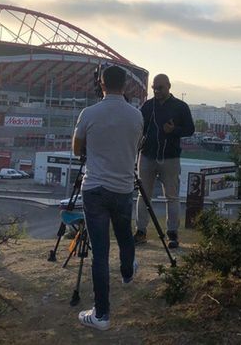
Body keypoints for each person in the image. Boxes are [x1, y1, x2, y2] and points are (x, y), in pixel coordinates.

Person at [73, 65, 143, 331]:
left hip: (95, 188)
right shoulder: (136, 116)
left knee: (99, 252)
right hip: (123, 187)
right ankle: (127, 272)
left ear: (101, 84)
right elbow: (135, 146)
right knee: (125, 234)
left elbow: (77, 147)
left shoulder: (89, 113)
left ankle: (101, 315)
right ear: (124, 85)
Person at [134, 74, 194, 248]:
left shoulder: (180, 107)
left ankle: (172, 234)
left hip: (170, 157)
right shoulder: (147, 105)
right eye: (154, 87)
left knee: (172, 197)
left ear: (169, 86)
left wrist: (174, 130)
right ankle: (141, 231)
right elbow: (139, 127)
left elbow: (190, 129)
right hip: (146, 155)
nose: (156, 91)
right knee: (143, 195)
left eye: (160, 87)